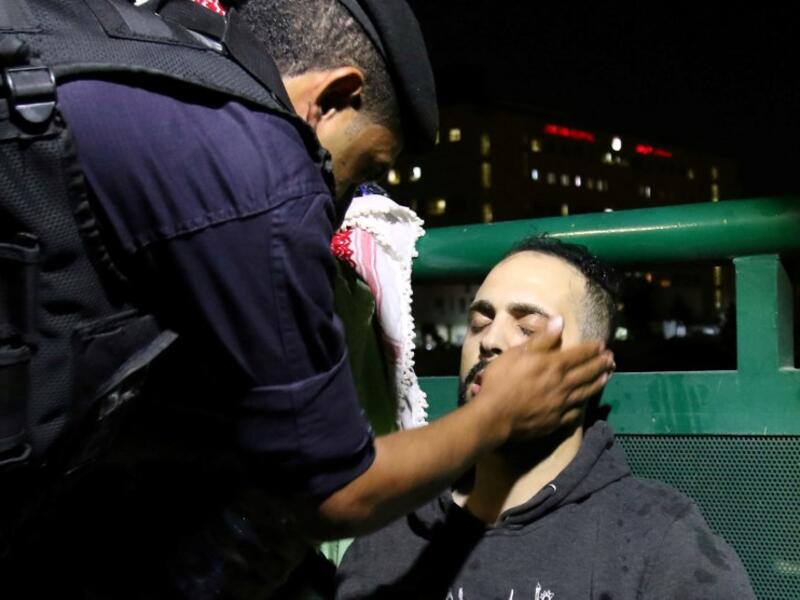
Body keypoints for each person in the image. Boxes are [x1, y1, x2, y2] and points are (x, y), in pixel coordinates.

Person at [0, 1, 613, 597]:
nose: (340, 209)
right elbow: (334, 493)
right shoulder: (263, 170)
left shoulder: (144, 59)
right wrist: (501, 412)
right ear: (335, 97)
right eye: (363, 169)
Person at [336, 236, 756, 600]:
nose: (491, 340)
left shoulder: (658, 542)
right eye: (479, 322)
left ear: (592, 370)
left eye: (528, 329)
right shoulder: (393, 529)